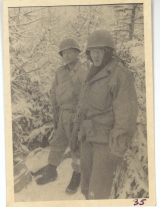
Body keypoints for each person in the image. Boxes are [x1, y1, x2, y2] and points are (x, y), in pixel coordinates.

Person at [70, 30, 138, 199]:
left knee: (98, 194)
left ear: (108, 52)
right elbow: (83, 105)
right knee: (86, 189)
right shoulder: (91, 73)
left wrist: (117, 149)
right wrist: (76, 132)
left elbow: (126, 116)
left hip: (105, 145)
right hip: (87, 140)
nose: (97, 55)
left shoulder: (119, 74)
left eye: (101, 51)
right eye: (93, 51)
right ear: (89, 53)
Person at [36, 38, 88, 195]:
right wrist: (56, 113)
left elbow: (85, 95)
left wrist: (80, 117)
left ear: (77, 53)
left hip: (75, 114)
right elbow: (54, 91)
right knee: (57, 142)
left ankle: (77, 175)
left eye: (69, 52)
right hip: (62, 113)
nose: (66, 56)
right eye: (64, 53)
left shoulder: (83, 71)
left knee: (76, 146)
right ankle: (52, 171)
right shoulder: (60, 71)